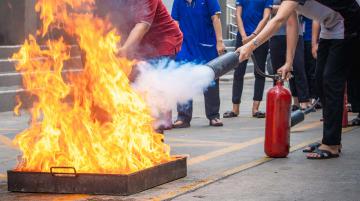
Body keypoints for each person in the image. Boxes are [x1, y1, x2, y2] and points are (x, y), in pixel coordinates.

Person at [236, 0, 360, 159]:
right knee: (320, 83)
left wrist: (251, 45)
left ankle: (332, 143)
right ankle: (329, 137)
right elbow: (291, 25)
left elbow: (278, 20)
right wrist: (289, 62)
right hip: (329, 26)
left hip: (348, 23)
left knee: (330, 81)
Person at [95, 0, 183, 131]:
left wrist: (124, 50)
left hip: (164, 43)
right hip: (142, 46)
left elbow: (143, 25)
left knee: (152, 88)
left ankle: (157, 135)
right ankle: (141, 130)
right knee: (133, 85)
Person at [171, 0, 226, 128]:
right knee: (183, 79)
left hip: (206, 46)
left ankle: (213, 116)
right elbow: (175, 22)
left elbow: (215, 18)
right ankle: (183, 117)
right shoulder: (178, 1)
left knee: (210, 80)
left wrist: (220, 41)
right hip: (185, 46)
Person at [223, 0, 273, 119]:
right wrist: (244, 36)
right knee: (238, 72)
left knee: (259, 73)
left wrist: (254, 35)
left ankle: (255, 108)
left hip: (261, 38)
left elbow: (266, 17)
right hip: (242, 37)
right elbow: (238, 15)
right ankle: (235, 109)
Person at [269, 0, 310, 111]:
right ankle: (279, 101)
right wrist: (284, 8)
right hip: (276, 34)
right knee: (278, 71)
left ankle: (303, 101)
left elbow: (299, 10)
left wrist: (277, 9)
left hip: (297, 34)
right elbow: (265, 8)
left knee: (298, 67)